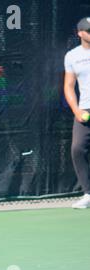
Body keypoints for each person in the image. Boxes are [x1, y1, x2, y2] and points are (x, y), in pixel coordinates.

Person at [64, 17, 90, 209]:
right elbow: (69, 86)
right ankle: (88, 193)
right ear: (80, 33)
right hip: (84, 109)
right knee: (78, 149)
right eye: (88, 31)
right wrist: (77, 110)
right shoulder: (72, 56)